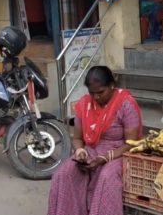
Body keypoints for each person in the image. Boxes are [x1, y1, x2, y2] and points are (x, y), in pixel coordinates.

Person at [47, 66, 143, 215]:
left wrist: (104, 158)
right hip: (91, 150)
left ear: (112, 86)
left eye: (100, 92)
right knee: (63, 174)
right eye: (92, 93)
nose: (96, 97)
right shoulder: (84, 105)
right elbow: (78, 138)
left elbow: (132, 144)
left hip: (119, 154)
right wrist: (80, 152)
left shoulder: (125, 104)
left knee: (106, 177)